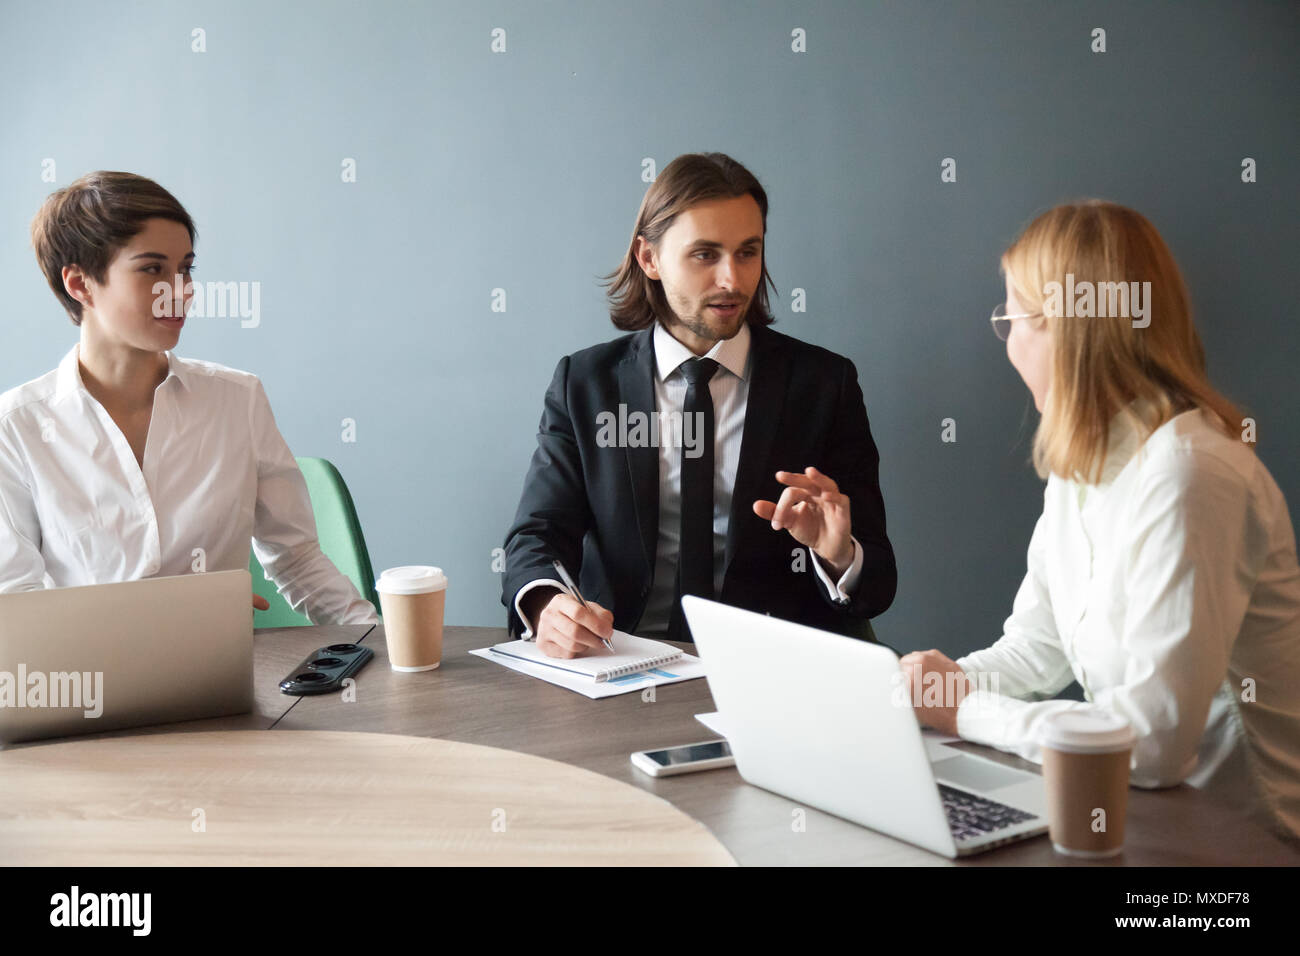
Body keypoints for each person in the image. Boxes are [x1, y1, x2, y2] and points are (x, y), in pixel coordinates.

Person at [901, 200, 1300, 845]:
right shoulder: (1083, 464)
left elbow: (1150, 746)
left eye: (1011, 319)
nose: (1008, 346)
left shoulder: (1190, 475)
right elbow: (1038, 650)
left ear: (1063, 327)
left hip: (1244, 851)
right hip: (1147, 821)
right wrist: (924, 689)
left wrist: (965, 709)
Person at [501, 152, 896, 657]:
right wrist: (546, 606)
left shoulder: (823, 384)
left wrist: (837, 554)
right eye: (705, 255)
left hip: (771, 667)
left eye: (748, 252)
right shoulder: (584, 384)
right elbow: (537, 534)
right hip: (620, 658)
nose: (733, 280)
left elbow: (878, 580)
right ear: (650, 259)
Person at [0, 171, 377, 625]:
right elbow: (15, 608)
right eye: (152, 269)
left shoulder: (238, 400)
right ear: (80, 284)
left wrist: (374, 645)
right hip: (92, 686)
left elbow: (297, 560)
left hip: (221, 681)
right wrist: (176, 614)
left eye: (185, 268)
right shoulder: (16, 428)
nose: (180, 290)